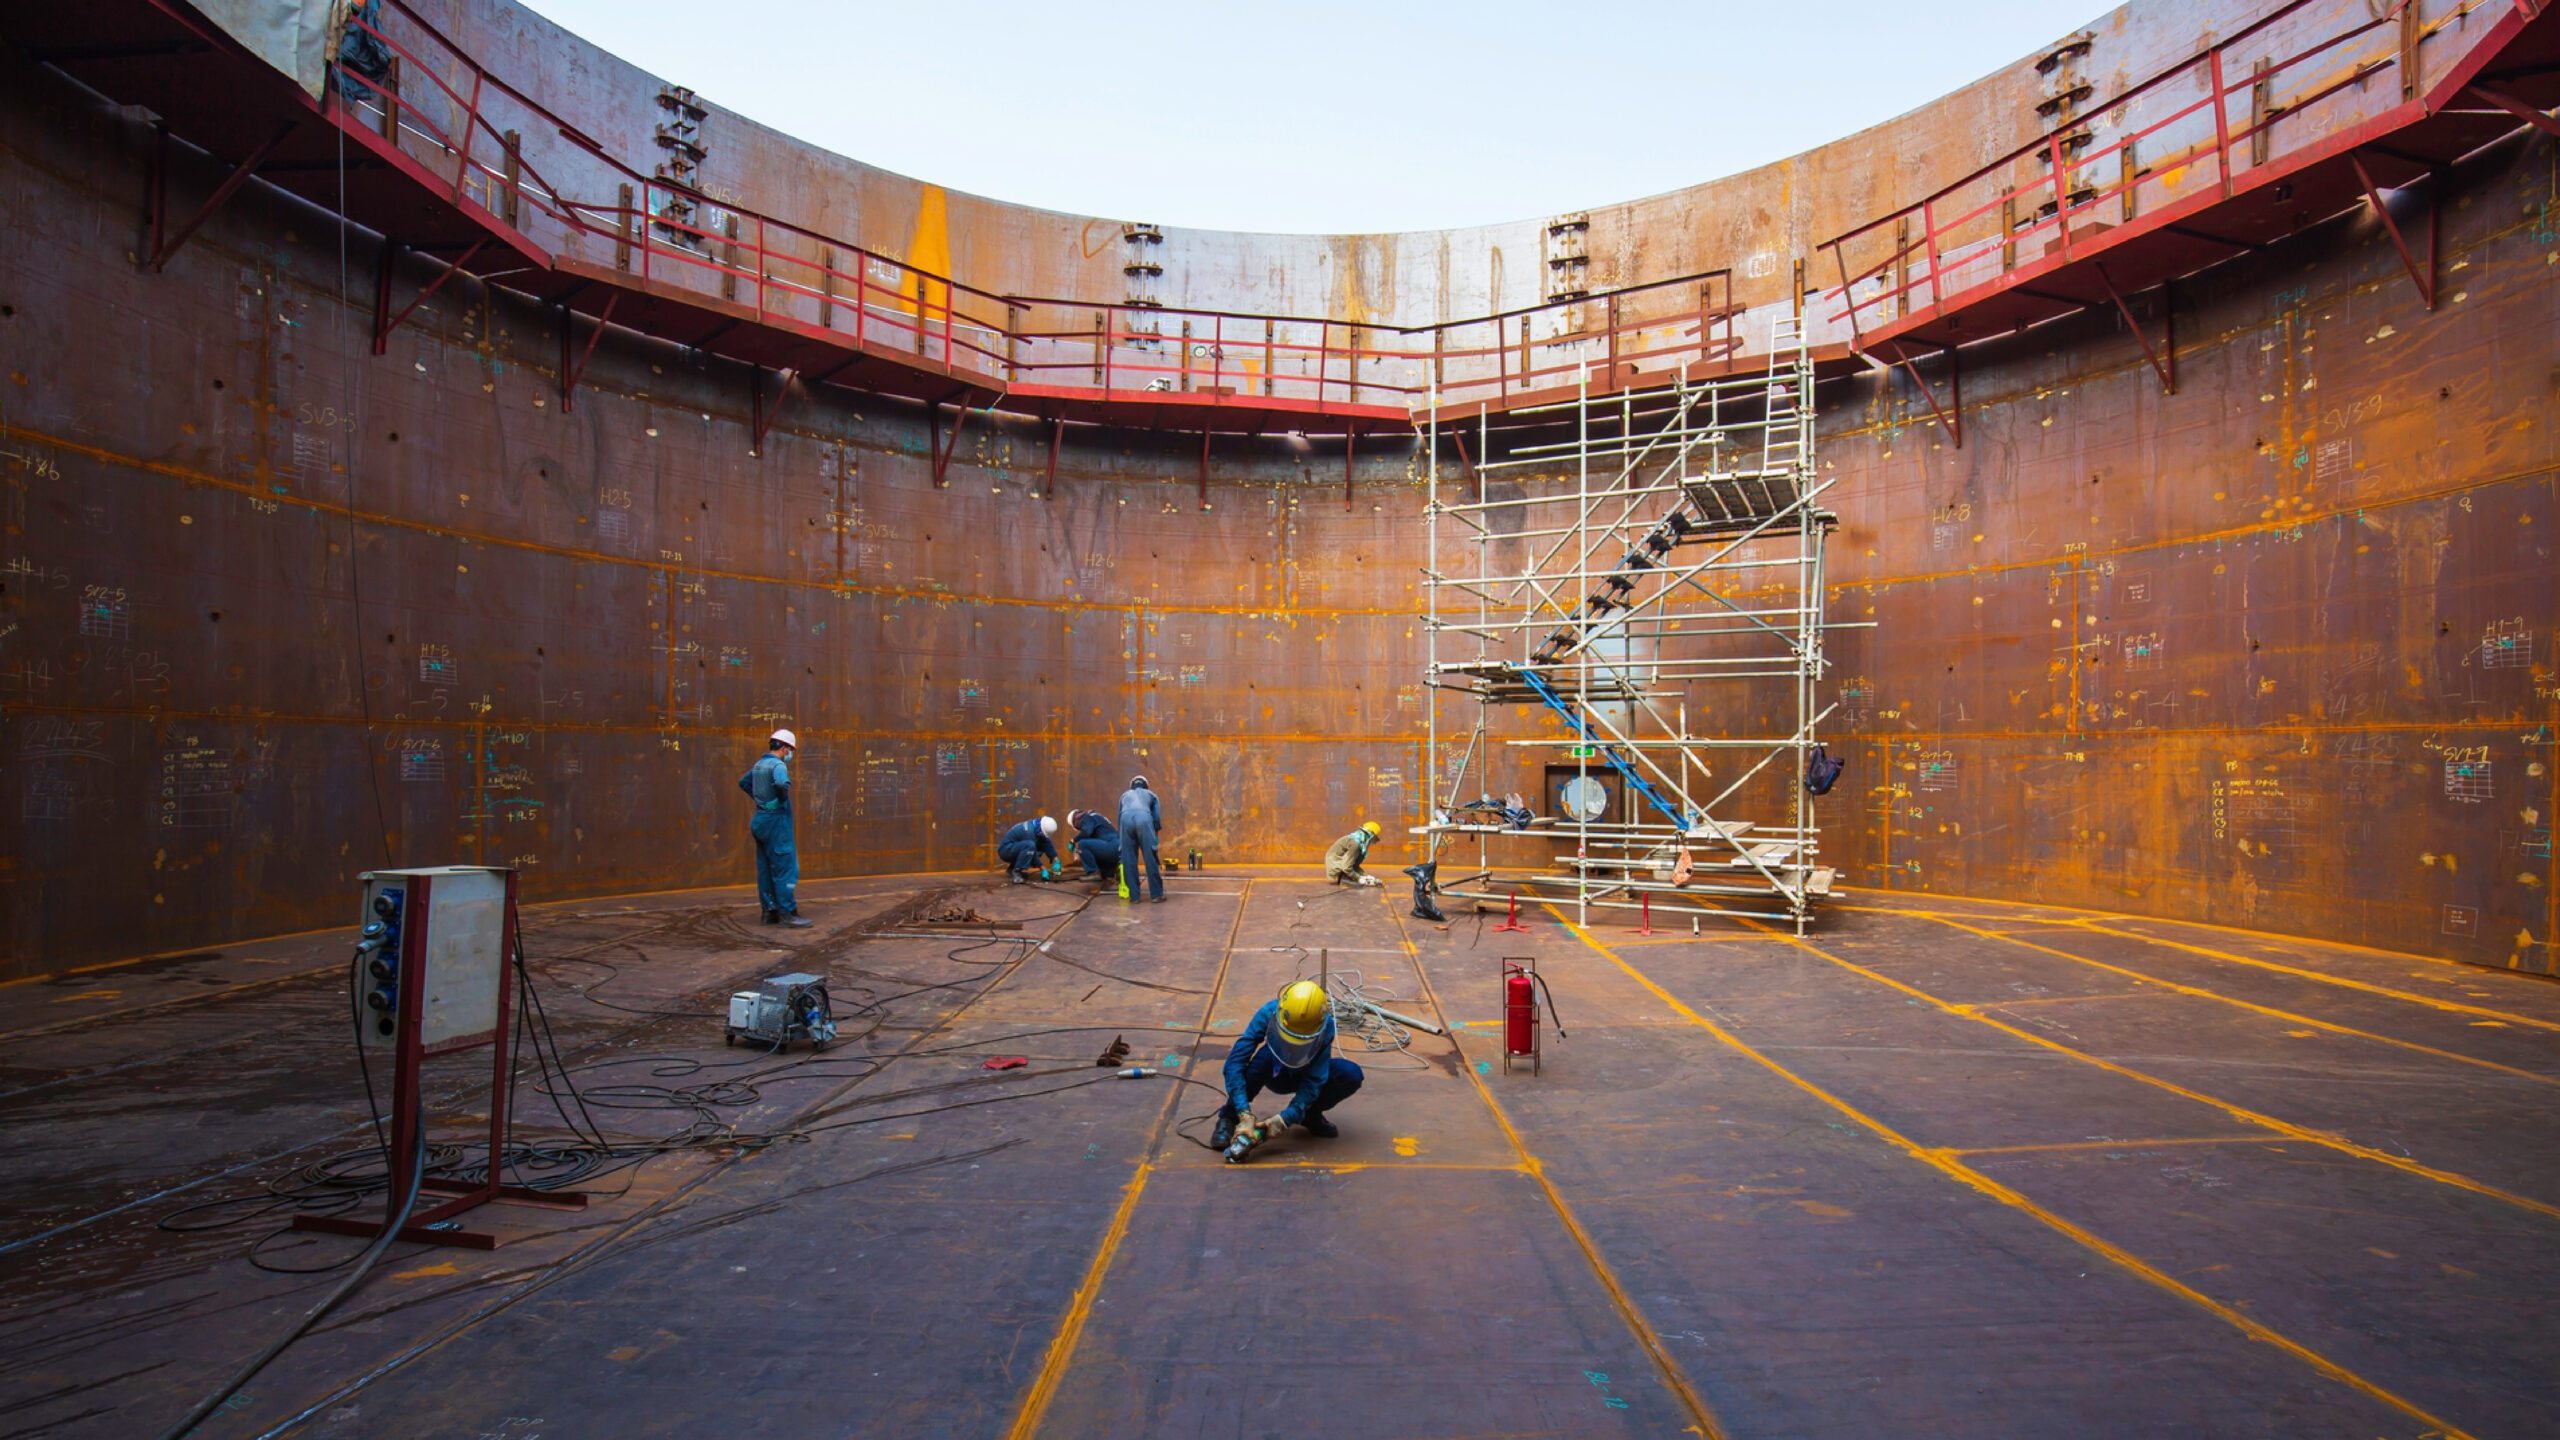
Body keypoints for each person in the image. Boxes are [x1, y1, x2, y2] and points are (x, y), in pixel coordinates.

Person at [1212, 980, 1362, 1153]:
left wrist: (1287, 1118)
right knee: (1265, 1056)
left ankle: (1309, 1114)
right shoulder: (1269, 1012)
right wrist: (1242, 1111)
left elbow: (1315, 1078)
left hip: (1305, 1071)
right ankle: (1229, 1116)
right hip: (1274, 1072)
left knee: (1350, 1074)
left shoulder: (1326, 1025)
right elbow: (1235, 1062)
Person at [740, 729, 811, 928]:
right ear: (784, 748)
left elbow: (743, 783)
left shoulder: (759, 765)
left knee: (765, 868)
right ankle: (788, 913)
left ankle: (769, 912)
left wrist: (761, 801)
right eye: (790, 749)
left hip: (760, 820)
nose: (790, 753)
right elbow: (781, 783)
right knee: (786, 867)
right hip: (775, 822)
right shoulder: (778, 765)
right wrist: (778, 800)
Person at [1116, 775, 1164, 903]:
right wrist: (1155, 835)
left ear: (1132, 785)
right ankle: (1156, 895)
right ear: (1146, 785)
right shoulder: (1151, 794)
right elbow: (1156, 818)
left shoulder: (1124, 795)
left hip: (1125, 820)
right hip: (1144, 818)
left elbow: (1119, 816)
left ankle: (1135, 896)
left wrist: (1121, 838)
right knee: (1150, 857)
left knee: (1128, 859)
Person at [997, 815, 1060, 883]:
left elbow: (1046, 842)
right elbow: (1033, 854)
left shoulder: (1036, 827)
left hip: (1012, 848)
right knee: (1030, 846)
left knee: (1036, 844)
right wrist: (1043, 869)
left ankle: (1012, 870)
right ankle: (1016, 873)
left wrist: (1056, 859)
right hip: (1005, 850)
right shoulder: (1029, 832)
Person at [1068, 808, 1120, 887]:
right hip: (1117, 850)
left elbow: (1086, 832)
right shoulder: (1096, 817)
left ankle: (1093, 872)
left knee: (1083, 844)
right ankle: (1109, 873)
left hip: (1111, 847)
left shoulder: (1087, 817)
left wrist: (1074, 840)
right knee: (1105, 874)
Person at [1324, 821, 1384, 886]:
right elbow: (1346, 867)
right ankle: (1343, 879)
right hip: (1335, 873)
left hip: (1338, 867)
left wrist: (1365, 876)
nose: (1372, 842)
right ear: (1370, 835)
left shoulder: (1357, 840)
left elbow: (1352, 864)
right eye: (1373, 838)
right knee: (1359, 885)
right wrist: (1359, 878)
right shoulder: (1355, 844)